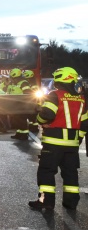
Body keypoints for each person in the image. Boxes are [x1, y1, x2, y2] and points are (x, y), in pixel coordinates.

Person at [28, 67, 87, 210]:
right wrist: (77, 139)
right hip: (72, 144)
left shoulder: (55, 95)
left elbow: (47, 114)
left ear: (60, 79)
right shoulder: (81, 98)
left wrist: (39, 120)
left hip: (53, 143)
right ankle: (71, 202)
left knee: (46, 172)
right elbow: (85, 122)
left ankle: (46, 202)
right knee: (70, 173)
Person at [6, 68, 33, 140]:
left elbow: (28, 93)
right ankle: (19, 133)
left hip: (22, 106)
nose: (11, 79)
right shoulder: (14, 84)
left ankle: (24, 135)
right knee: (16, 120)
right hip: (15, 106)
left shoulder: (23, 83)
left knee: (22, 120)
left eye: (12, 78)